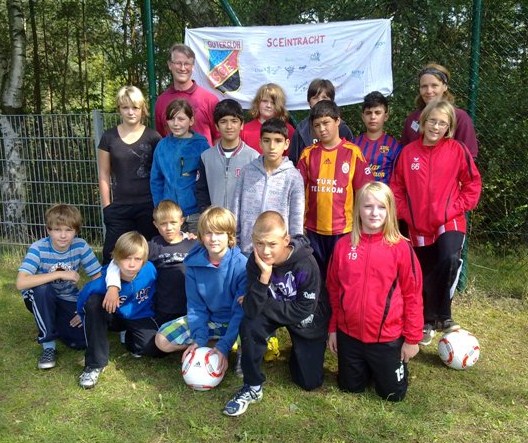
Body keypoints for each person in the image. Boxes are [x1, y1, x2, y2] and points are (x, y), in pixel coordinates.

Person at [391, 99, 482, 346]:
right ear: (423, 122)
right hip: (417, 222)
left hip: (449, 221)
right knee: (423, 271)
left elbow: (473, 184)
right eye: (432, 121)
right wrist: (404, 212)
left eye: (442, 123)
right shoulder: (408, 153)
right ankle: (427, 322)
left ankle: (442, 316)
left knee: (448, 258)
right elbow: (396, 187)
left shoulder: (457, 150)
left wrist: (456, 207)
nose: (436, 127)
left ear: (449, 127)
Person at [223, 211, 328, 417]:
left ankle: (298, 352)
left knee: (309, 382)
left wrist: (262, 302)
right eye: (260, 243)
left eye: (272, 244)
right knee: (250, 324)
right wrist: (264, 277)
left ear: (286, 240)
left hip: (305, 313)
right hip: (278, 308)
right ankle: (252, 386)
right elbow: (252, 310)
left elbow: (303, 309)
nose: (265, 251)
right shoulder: (255, 262)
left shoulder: (306, 263)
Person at [327, 182, 423, 402]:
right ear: (358, 209)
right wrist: (333, 329)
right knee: (350, 388)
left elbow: (413, 295)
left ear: (390, 210)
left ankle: (387, 367)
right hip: (349, 336)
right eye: (368, 206)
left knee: (392, 395)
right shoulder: (343, 246)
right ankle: (364, 367)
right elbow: (333, 289)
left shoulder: (400, 248)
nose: (374, 213)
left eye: (381, 207)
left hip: (387, 339)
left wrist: (412, 339)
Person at [155, 207, 247, 382]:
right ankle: (210, 347)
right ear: (200, 236)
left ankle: (229, 346)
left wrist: (225, 346)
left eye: (219, 233)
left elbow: (240, 312)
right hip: (211, 321)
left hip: (237, 322)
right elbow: (196, 307)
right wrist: (200, 340)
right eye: (208, 233)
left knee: (252, 328)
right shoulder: (193, 263)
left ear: (230, 235)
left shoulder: (241, 265)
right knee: (162, 341)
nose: (213, 239)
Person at [16, 204, 102, 370]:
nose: (63, 235)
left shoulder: (80, 246)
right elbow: (21, 282)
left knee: (80, 341)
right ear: (48, 230)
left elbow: (98, 277)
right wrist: (59, 274)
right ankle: (48, 345)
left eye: (68, 230)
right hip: (39, 297)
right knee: (42, 289)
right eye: (57, 229)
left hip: (67, 298)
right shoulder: (38, 248)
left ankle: (54, 322)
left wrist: (84, 307)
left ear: (76, 231)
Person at [77, 232, 163, 389]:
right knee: (94, 301)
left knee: (155, 349)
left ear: (144, 259)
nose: (131, 264)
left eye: (137, 259)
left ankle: (131, 339)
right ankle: (95, 364)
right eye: (126, 258)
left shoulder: (150, 270)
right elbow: (84, 297)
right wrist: (81, 314)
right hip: (113, 316)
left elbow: (157, 292)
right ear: (116, 258)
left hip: (139, 315)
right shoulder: (103, 281)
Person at [297, 100, 371, 282]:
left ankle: (341, 310)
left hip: (343, 230)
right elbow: (298, 192)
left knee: (341, 276)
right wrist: (299, 224)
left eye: (326, 123)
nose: (322, 129)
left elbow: (364, 192)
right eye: (317, 125)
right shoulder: (308, 154)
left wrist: (362, 225)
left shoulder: (353, 153)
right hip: (313, 230)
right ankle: (319, 310)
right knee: (316, 277)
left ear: (337, 121)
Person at [105, 200, 197, 326]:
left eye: (173, 222)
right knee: (156, 342)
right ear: (155, 225)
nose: (169, 228)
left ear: (181, 221)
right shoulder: (153, 245)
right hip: (164, 309)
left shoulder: (193, 244)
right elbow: (117, 260)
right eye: (163, 224)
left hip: (191, 306)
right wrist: (113, 286)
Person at [97, 85, 161, 264]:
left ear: (142, 109)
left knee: (149, 255)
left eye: (135, 107)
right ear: (119, 109)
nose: (131, 112)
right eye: (125, 107)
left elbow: (160, 174)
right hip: (119, 208)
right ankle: (109, 291)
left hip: (148, 206)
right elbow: (103, 173)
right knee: (111, 255)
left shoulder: (153, 137)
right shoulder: (109, 138)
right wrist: (107, 207)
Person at [231, 117, 304, 256]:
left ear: (286, 143)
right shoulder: (247, 172)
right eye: (267, 140)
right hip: (246, 252)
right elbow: (235, 211)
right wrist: (235, 246)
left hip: (277, 255)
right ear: (260, 143)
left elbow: (296, 221)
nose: (272, 146)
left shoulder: (293, 177)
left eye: (278, 141)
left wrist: (290, 253)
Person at [150, 99, 210, 233]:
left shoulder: (201, 146)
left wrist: (204, 209)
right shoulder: (162, 146)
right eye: (171, 119)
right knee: (174, 252)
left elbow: (207, 180)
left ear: (191, 121)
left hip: (195, 214)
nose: (176, 124)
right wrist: (160, 207)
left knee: (197, 250)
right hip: (170, 216)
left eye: (181, 119)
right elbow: (156, 180)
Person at [400, 63, 478, 159]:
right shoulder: (412, 119)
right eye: (424, 86)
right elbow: (404, 156)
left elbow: (469, 158)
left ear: (445, 87)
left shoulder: (459, 117)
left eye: (434, 85)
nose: (429, 91)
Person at [195, 99, 259, 211]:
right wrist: (208, 215)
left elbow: (256, 194)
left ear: (242, 124)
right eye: (223, 121)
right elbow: (201, 192)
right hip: (215, 224)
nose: (229, 126)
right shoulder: (206, 157)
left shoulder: (253, 157)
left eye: (234, 121)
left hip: (242, 225)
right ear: (216, 126)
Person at [154, 43, 219, 145]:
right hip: (172, 160)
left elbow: (218, 138)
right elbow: (161, 137)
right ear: (170, 65)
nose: (183, 68)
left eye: (187, 64)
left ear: (193, 66)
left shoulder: (210, 100)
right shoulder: (161, 101)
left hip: (203, 160)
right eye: (178, 63)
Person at [289, 78, 354, 166]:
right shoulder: (301, 130)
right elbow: (294, 160)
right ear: (309, 102)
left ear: (332, 101)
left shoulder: (342, 128)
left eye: (324, 97)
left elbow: (351, 156)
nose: (320, 101)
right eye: (315, 98)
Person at [353, 91, 403, 185]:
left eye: (377, 113)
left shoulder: (395, 147)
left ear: (386, 116)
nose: (373, 117)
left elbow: (398, 181)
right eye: (368, 113)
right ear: (363, 117)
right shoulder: (353, 145)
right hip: (358, 198)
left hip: (384, 198)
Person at [240, 83, 295, 153]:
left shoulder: (288, 129)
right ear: (257, 102)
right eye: (265, 101)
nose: (268, 105)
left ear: (279, 105)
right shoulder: (245, 130)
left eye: (273, 102)